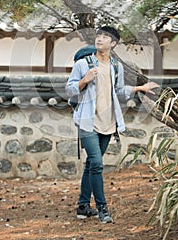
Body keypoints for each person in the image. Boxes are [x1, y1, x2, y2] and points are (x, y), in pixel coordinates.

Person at [65, 26, 159, 224]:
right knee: (97, 164)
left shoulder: (116, 66)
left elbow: (119, 90)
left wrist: (141, 87)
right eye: (98, 35)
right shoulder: (83, 64)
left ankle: (83, 206)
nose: (100, 39)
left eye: (105, 36)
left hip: (108, 121)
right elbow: (70, 90)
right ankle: (103, 209)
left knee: (91, 164)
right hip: (87, 121)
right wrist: (85, 79)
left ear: (113, 43)